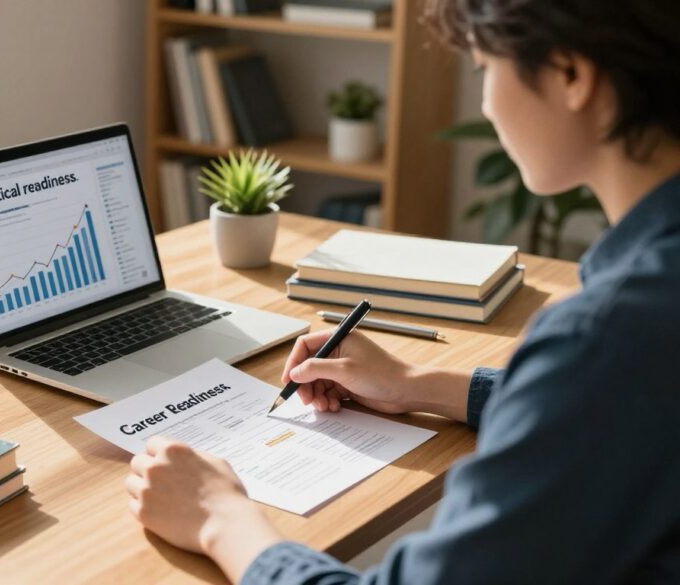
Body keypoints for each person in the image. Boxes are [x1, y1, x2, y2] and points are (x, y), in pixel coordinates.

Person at [124, 0, 680, 582]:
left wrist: (220, 518)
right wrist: (420, 386)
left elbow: (604, 384)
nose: (487, 104)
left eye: (484, 68)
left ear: (571, 74)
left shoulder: (609, 336)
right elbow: (619, 410)